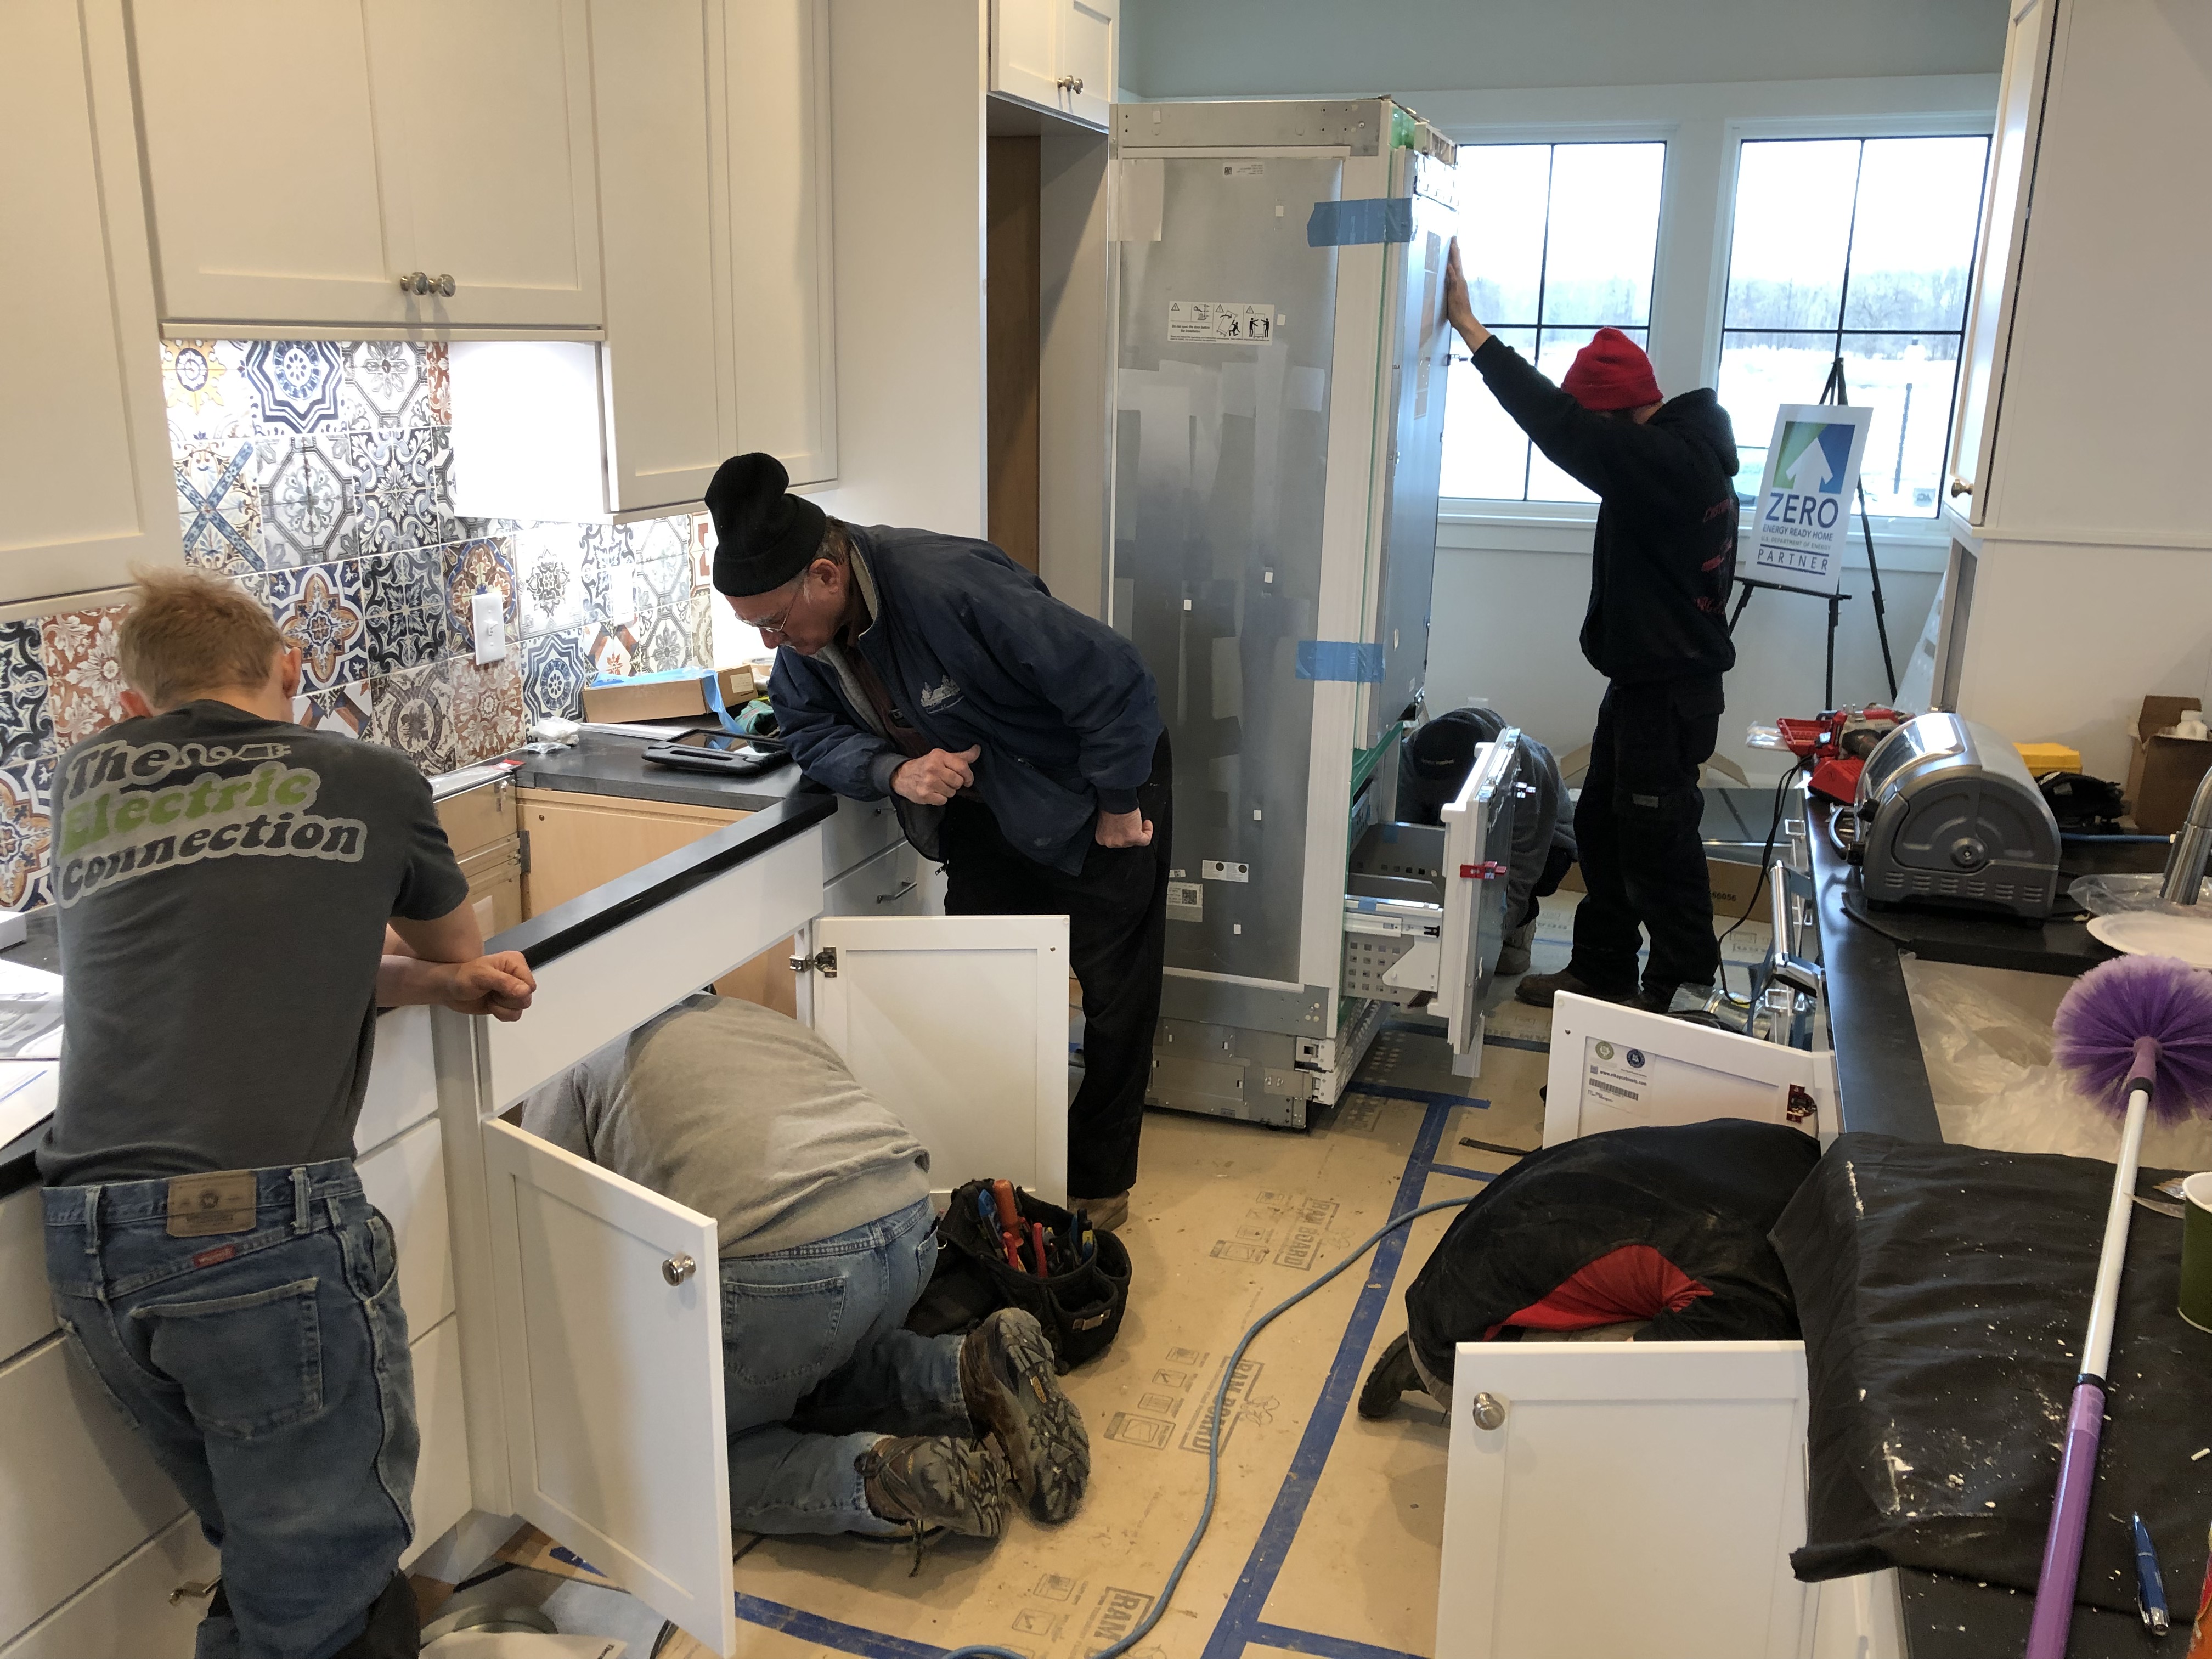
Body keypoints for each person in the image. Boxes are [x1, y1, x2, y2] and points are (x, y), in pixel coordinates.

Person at [38, 568, 536, 1659]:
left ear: (133, 706)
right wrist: (438, 974)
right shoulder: (366, 776)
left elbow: (249, 940)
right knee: (327, 1594)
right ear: (292, 669)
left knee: (273, 1567)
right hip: (257, 1234)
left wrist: (408, 974)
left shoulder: (84, 780)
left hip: (90, 1241)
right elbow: (458, 943)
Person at [705, 453, 1168, 1231]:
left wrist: (1119, 802)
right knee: (983, 982)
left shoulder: (947, 585)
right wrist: (893, 770)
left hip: (1093, 782)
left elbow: (1114, 676)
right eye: (758, 629)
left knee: (1116, 992)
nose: (775, 641)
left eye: (774, 622)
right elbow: (807, 730)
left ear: (825, 575)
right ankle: (1002, 1168)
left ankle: (1099, 1180)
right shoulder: (808, 647)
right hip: (985, 806)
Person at [517, 992, 1090, 1540]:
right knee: (815, 1365)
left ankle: (876, 1479)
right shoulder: (744, 1016)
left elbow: (534, 1230)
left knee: (671, 1452)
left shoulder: (568, 1059)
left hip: (789, 1279)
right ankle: (969, 1368)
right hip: (909, 1228)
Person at [1442, 241, 1741, 1013]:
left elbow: (1564, 427)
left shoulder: (1668, 465)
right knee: (1608, 831)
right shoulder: (1679, 451)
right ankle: (1604, 969)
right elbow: (1582, 433)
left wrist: (1475, 334)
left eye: (1600, 433)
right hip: (1646, 682)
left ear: (1620, 418)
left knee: (1659, 844)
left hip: (1667, 693)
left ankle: (1683, 989)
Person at [1397, 707, 1575, 978]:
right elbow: (1405, 840)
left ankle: (1520, 927)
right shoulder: (1410, 758)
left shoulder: (1526, 772)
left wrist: (1485, 940)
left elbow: (1523, 862)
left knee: (1549, 866)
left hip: (1543, 841)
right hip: (1449, 825)